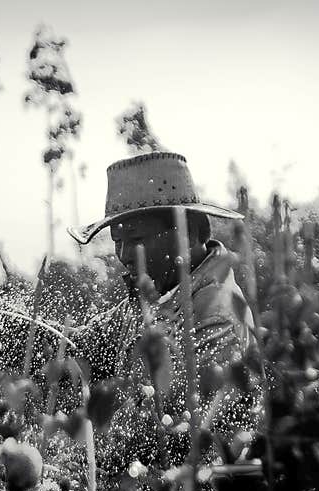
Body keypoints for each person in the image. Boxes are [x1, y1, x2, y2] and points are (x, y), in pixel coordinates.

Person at [67, 151, 260, 472]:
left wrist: (88, 460)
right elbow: (83, 345)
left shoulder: (217, 314)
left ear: (192, 232)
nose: (125, 255)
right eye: (118, 241)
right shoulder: (157, 294)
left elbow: (176, 427)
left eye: (137, 239)